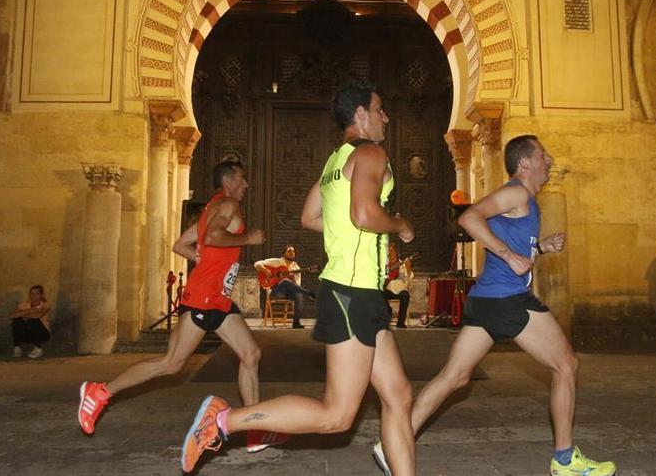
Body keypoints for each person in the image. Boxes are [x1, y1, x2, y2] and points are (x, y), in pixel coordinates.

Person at [179, 79, 417, 475]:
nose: (385, 117)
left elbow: (310, 218)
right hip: (353, 293)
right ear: (360, 114)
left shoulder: (334, 161)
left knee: (399, 395)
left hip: (355, 292)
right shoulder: (372, 153)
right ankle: (223, 421)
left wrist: (349, 228)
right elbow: (364, 215)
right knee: (336, 416)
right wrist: (401, 224)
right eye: (379, 109)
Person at [373, 135, 616, 476]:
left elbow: (514, 246)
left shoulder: (527, 200)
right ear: (526, 163)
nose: (549, 161)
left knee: (454, 377)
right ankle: (565, 461)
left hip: (486, 300)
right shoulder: (516, 191)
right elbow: (469, 218)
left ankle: (393, 443)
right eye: (542, 155)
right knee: (566, 365)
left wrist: (540, 248)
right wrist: (507, 254)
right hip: (506, 300)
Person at [77, 161, 287, 453]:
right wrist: (247, 238)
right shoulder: (227, 205)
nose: (246, 185)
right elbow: (213, 237)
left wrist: (200, 259)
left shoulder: (209, 209)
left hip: (218, 299)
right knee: (172, 363)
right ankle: (99, 392)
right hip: (203, 298)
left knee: (251, 354)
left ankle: (252, 430)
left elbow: (180, 245)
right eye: (242, 178)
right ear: (228, 181)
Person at [254, 245, 316, 328]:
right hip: (276, 292)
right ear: (284, 253)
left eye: (293, 251)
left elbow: (297, 286)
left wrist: (292, 278)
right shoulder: (277, 262)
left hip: (289, 293)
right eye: (289, 251)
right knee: (285, 281)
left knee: (299, 295)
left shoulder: (296, 268)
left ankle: (296, 322)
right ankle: (308, 293)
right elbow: (257, 264)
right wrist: (265, 270)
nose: (292, 253)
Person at [10, 284, 51, 359]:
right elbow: (12, 315)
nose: (33, 296)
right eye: (32, 293)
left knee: (34, 321)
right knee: (17, 321)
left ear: (41, 295)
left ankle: (38, 348)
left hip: (42, 334)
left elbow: (38, 316)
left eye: (36, 294)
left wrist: (24, 315)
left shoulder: (45, 305)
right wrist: (30, 310)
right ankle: (17, 347)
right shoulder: (24, 304)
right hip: (27, 334)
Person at [383, 242, 413, 328]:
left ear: (396, 252)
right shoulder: (384, 265)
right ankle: (388, 311)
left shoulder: (402, 264)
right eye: (388, 250)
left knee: (405, 295)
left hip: (400, 289)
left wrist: (409, 269)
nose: (389, 252)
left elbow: (409, 281)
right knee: (379, 294)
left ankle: (400, 322)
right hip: (388, 288)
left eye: (391, 250)